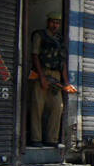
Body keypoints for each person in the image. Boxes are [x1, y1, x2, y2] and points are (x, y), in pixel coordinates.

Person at [29, 11, 68, 145]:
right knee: (37, 106)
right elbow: (35, 56)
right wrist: (42, 77)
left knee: (58, 106)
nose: (55, 25)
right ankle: (36, 139)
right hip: (41, 73)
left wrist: (66, 82)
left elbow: (62, 62)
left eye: (57, 23)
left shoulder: (60, 39)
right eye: (53, 22)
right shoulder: (39, 35)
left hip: (55, 75)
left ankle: (52, 139)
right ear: (48, 22)